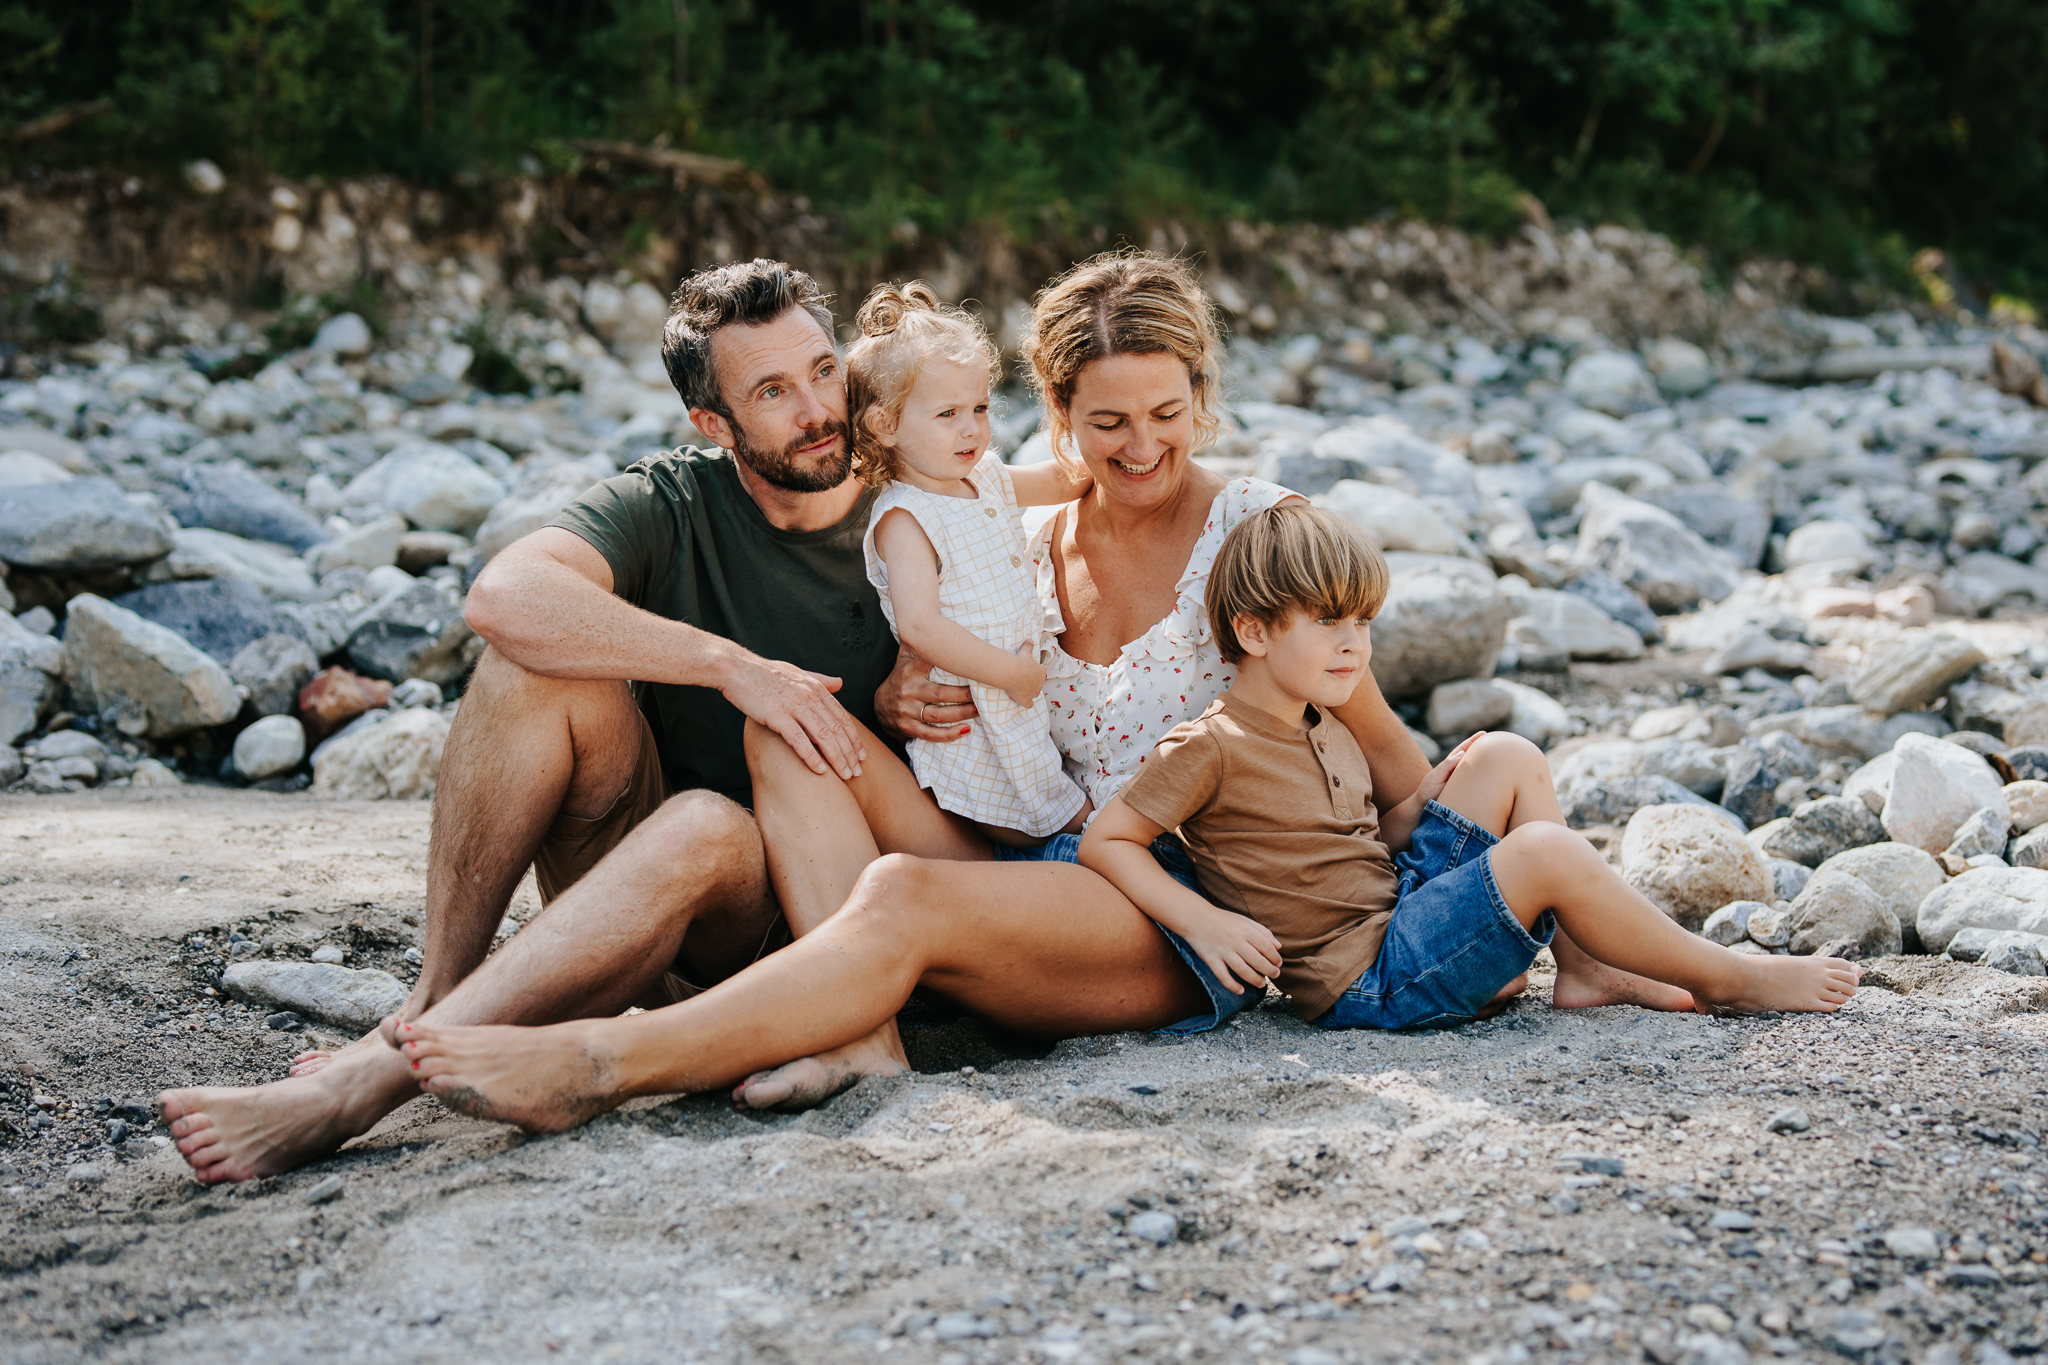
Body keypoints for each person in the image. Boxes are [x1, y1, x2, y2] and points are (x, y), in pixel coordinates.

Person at [374, 253, 1709, 1133]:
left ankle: (606, 1060)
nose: (1139, 451)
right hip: (1043, 850)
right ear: (1051, 415)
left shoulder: (1255, 535)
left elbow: (1390, 762)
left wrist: (1439, 928)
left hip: (1181, 899)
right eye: (1104, 422)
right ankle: (849, 1032)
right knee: (801, 725)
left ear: (1206, 400)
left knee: (900, 895)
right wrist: (894, 698)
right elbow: (915, 541)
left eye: (1169, 415)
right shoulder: (1001, 519)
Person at [158, 258, 910, 1183]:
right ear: (713, 424)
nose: (817, 408)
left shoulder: (913, 505)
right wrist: (730, 667)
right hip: (636, 901)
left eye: (823, 370)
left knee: (711, 826)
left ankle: (367, 1083)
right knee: (529, 658)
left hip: (813, 926)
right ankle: (433, 1002)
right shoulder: (672, 500)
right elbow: (504, 592)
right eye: (773, 390)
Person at [1080, 502, 1862, 1026]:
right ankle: (1723, 975)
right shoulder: (1209, 745)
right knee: (1545, 851)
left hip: (1397, 911)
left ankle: (1585, 967)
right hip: (1368, 976)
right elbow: (1107, 839)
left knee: (1506, 755)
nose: (1355, 642)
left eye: (1363, 620)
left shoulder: (1320, 719)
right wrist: (1202, 919)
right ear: (1252, 633)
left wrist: (1425, 803)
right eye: (1328, 622)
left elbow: (1352, 846)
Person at [851, 280, 1093, 846]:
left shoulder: (982, 477)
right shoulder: (905, 517)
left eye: (981, 408)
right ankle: (1040, 860)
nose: (972, 428)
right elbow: (919, 624)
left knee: (1042, 780)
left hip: (1013, 687)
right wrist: (1008, 673)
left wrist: (1112, 452)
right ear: (886, 426)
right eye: (948, 413)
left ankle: (1064, 844)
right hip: (972, 693)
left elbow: (1058, 481)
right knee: (1005, 799)